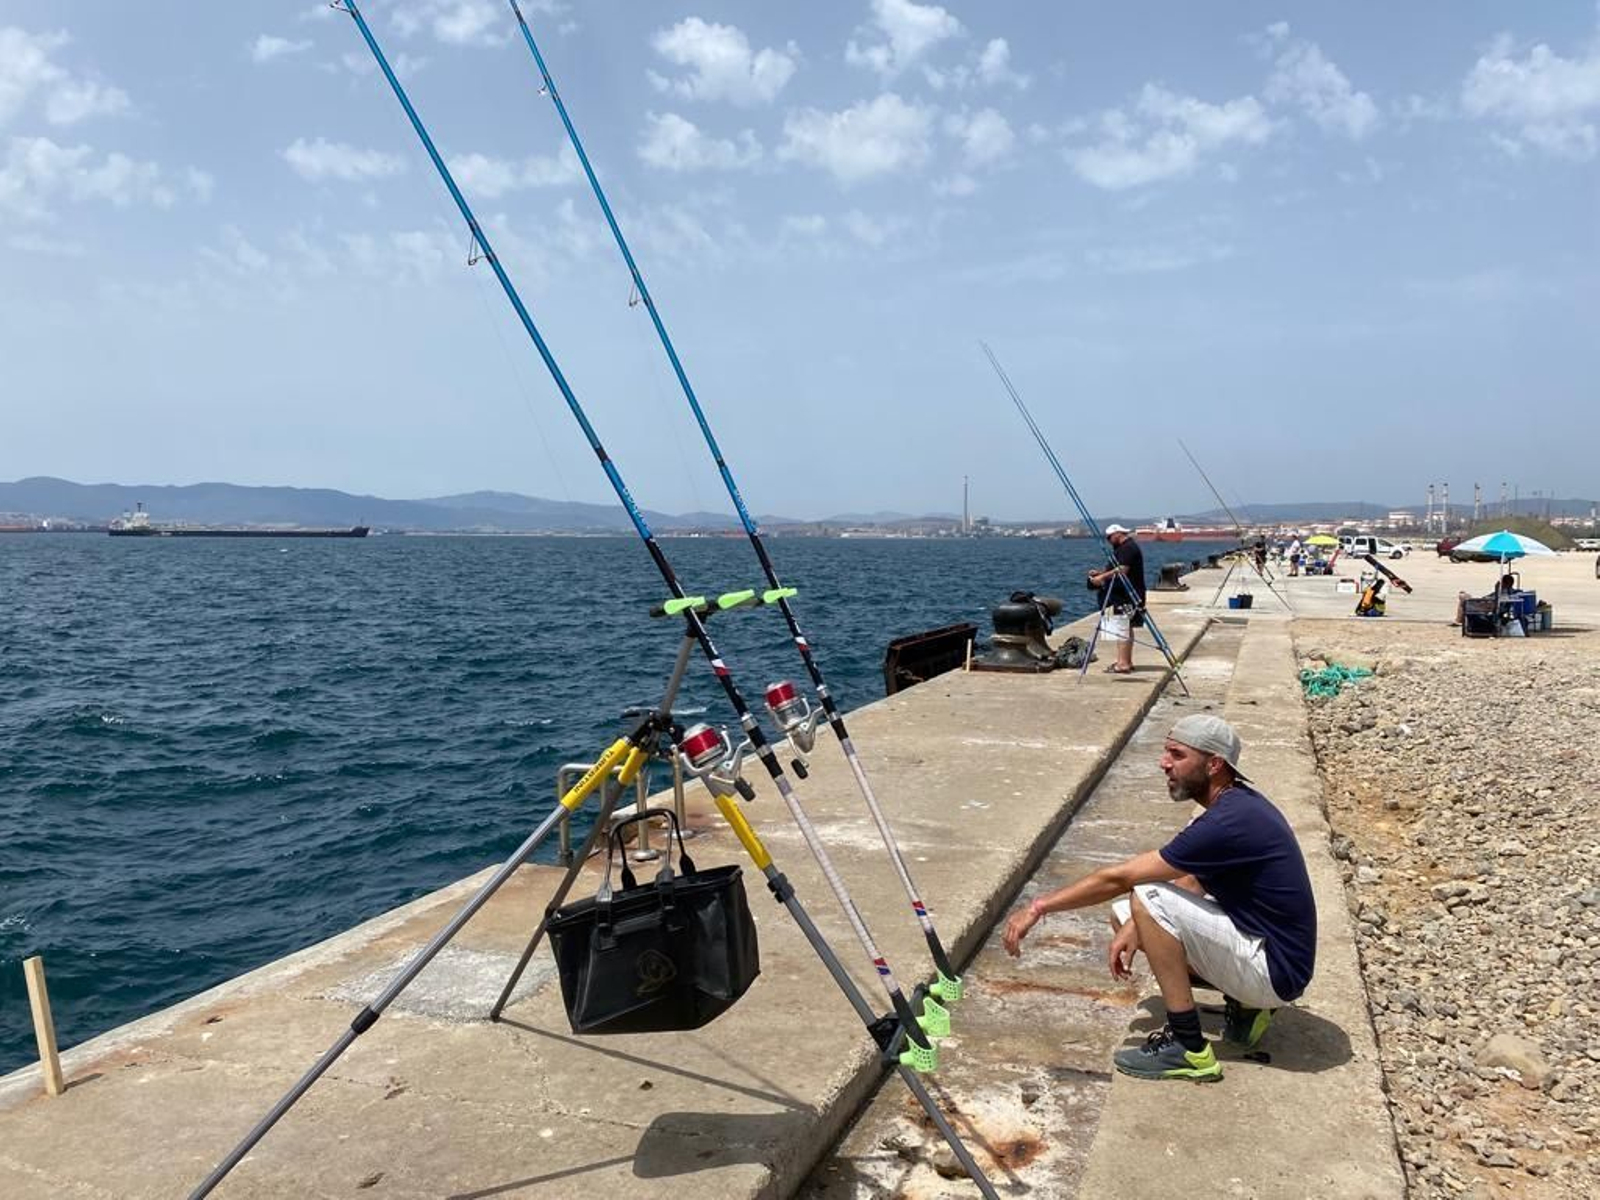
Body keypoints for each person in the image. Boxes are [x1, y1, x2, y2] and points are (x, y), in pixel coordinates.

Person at [1002, 714, 1317, 1082]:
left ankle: (1189, 1048)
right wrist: (1139, 923)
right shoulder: (1233, 806)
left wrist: (1039, 907)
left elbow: (1120, 877)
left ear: (1214, 764)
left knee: (1146, 895)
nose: (1163, 762)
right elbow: (1191, 881)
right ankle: (1246, 1006)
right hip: (1270, 956)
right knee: (1127, 914)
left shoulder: (1228, 822)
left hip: (1276, 971)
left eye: (1177, 754)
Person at [1088, 524, 1146, 674]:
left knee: (1122, 627)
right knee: (1123, 627)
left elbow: (1122, 570)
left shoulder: (1128, 548)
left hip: (1128, 595)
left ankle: (1123, 664)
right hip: (1122, 594)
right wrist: (1100, 572)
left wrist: (1101, 577)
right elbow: (1119, 568)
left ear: (1118, 534)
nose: (1108, 540)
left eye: (1109, 537)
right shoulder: (1123, 548)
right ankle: (1123, 660)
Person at [1452, 572, 1518, 627]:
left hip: (1485, 607)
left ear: (1504, 583)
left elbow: (1495, 603)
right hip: (1485, 604)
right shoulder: (1508, 592)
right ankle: (1459, 620)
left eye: (1501, 582)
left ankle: (1458, 620)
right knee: (1463, 596)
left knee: (1463, 597)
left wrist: (1496, 589)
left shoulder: (1504, 592)